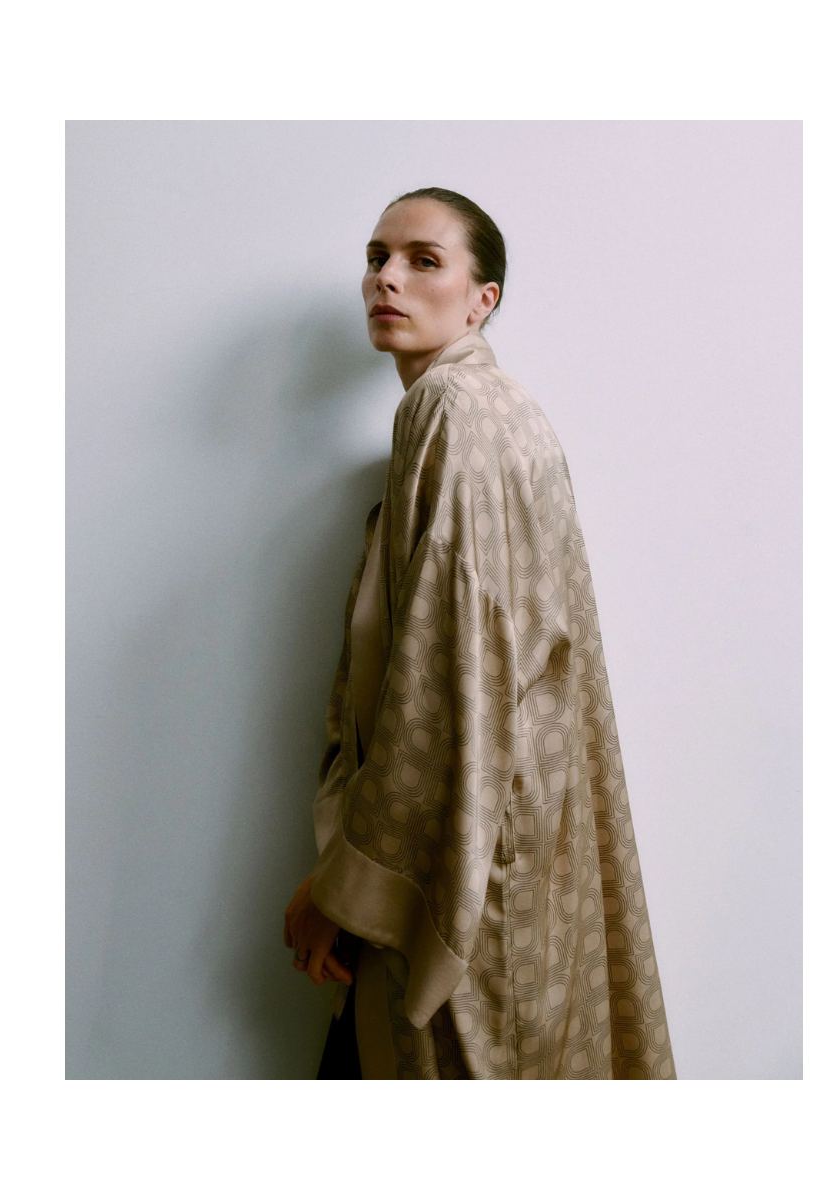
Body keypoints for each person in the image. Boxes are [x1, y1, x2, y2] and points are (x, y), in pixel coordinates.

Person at [284, 187, 675, 1080]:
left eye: (424, 260)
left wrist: (339, 892)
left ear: (480, 299)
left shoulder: (454, 410)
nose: (387, 278)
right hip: (520, 850)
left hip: (468, 876)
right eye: (377, 258)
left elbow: (446, 681)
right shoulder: (493, 408)